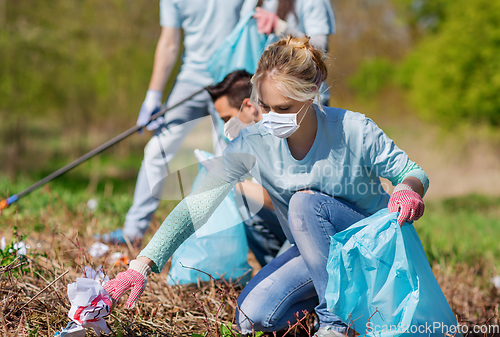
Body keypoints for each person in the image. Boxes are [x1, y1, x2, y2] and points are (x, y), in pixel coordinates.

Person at [103, 36, 428, 337]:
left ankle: (335, 322)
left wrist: (407, 189)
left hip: (369, 250)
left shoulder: (353, 129)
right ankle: (353, 311)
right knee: (252, 317)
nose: (272, 118)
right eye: (266, 107)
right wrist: (143, 264)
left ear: (312, 91)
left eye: (283, 109)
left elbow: (413, 172)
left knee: (304, 204)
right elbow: (198, 204)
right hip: (319, 257)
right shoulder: (254, 140)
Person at [95, 0, 246, 244]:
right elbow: (169, 42)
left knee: (229, 158)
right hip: (191, 79)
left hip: (234, 79)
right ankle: (132, 231)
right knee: (157, 150)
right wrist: (153, 94)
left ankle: (232, 241)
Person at [207, 70, 287, 267]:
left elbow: (285, 196)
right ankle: (273, 267)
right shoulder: (252, 142)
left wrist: (232, 183)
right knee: (243, 203)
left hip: (310, 228)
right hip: (288, 224)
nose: (226, 127)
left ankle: (278, 272)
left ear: (249, 106)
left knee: (243, 198)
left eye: (228, 118)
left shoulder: (282, 134)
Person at [241, 0, 336, 105]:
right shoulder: (251, 2)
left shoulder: (311, 2)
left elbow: (320, 49)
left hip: (304, 99)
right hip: (262, 98)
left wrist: (280, 27)